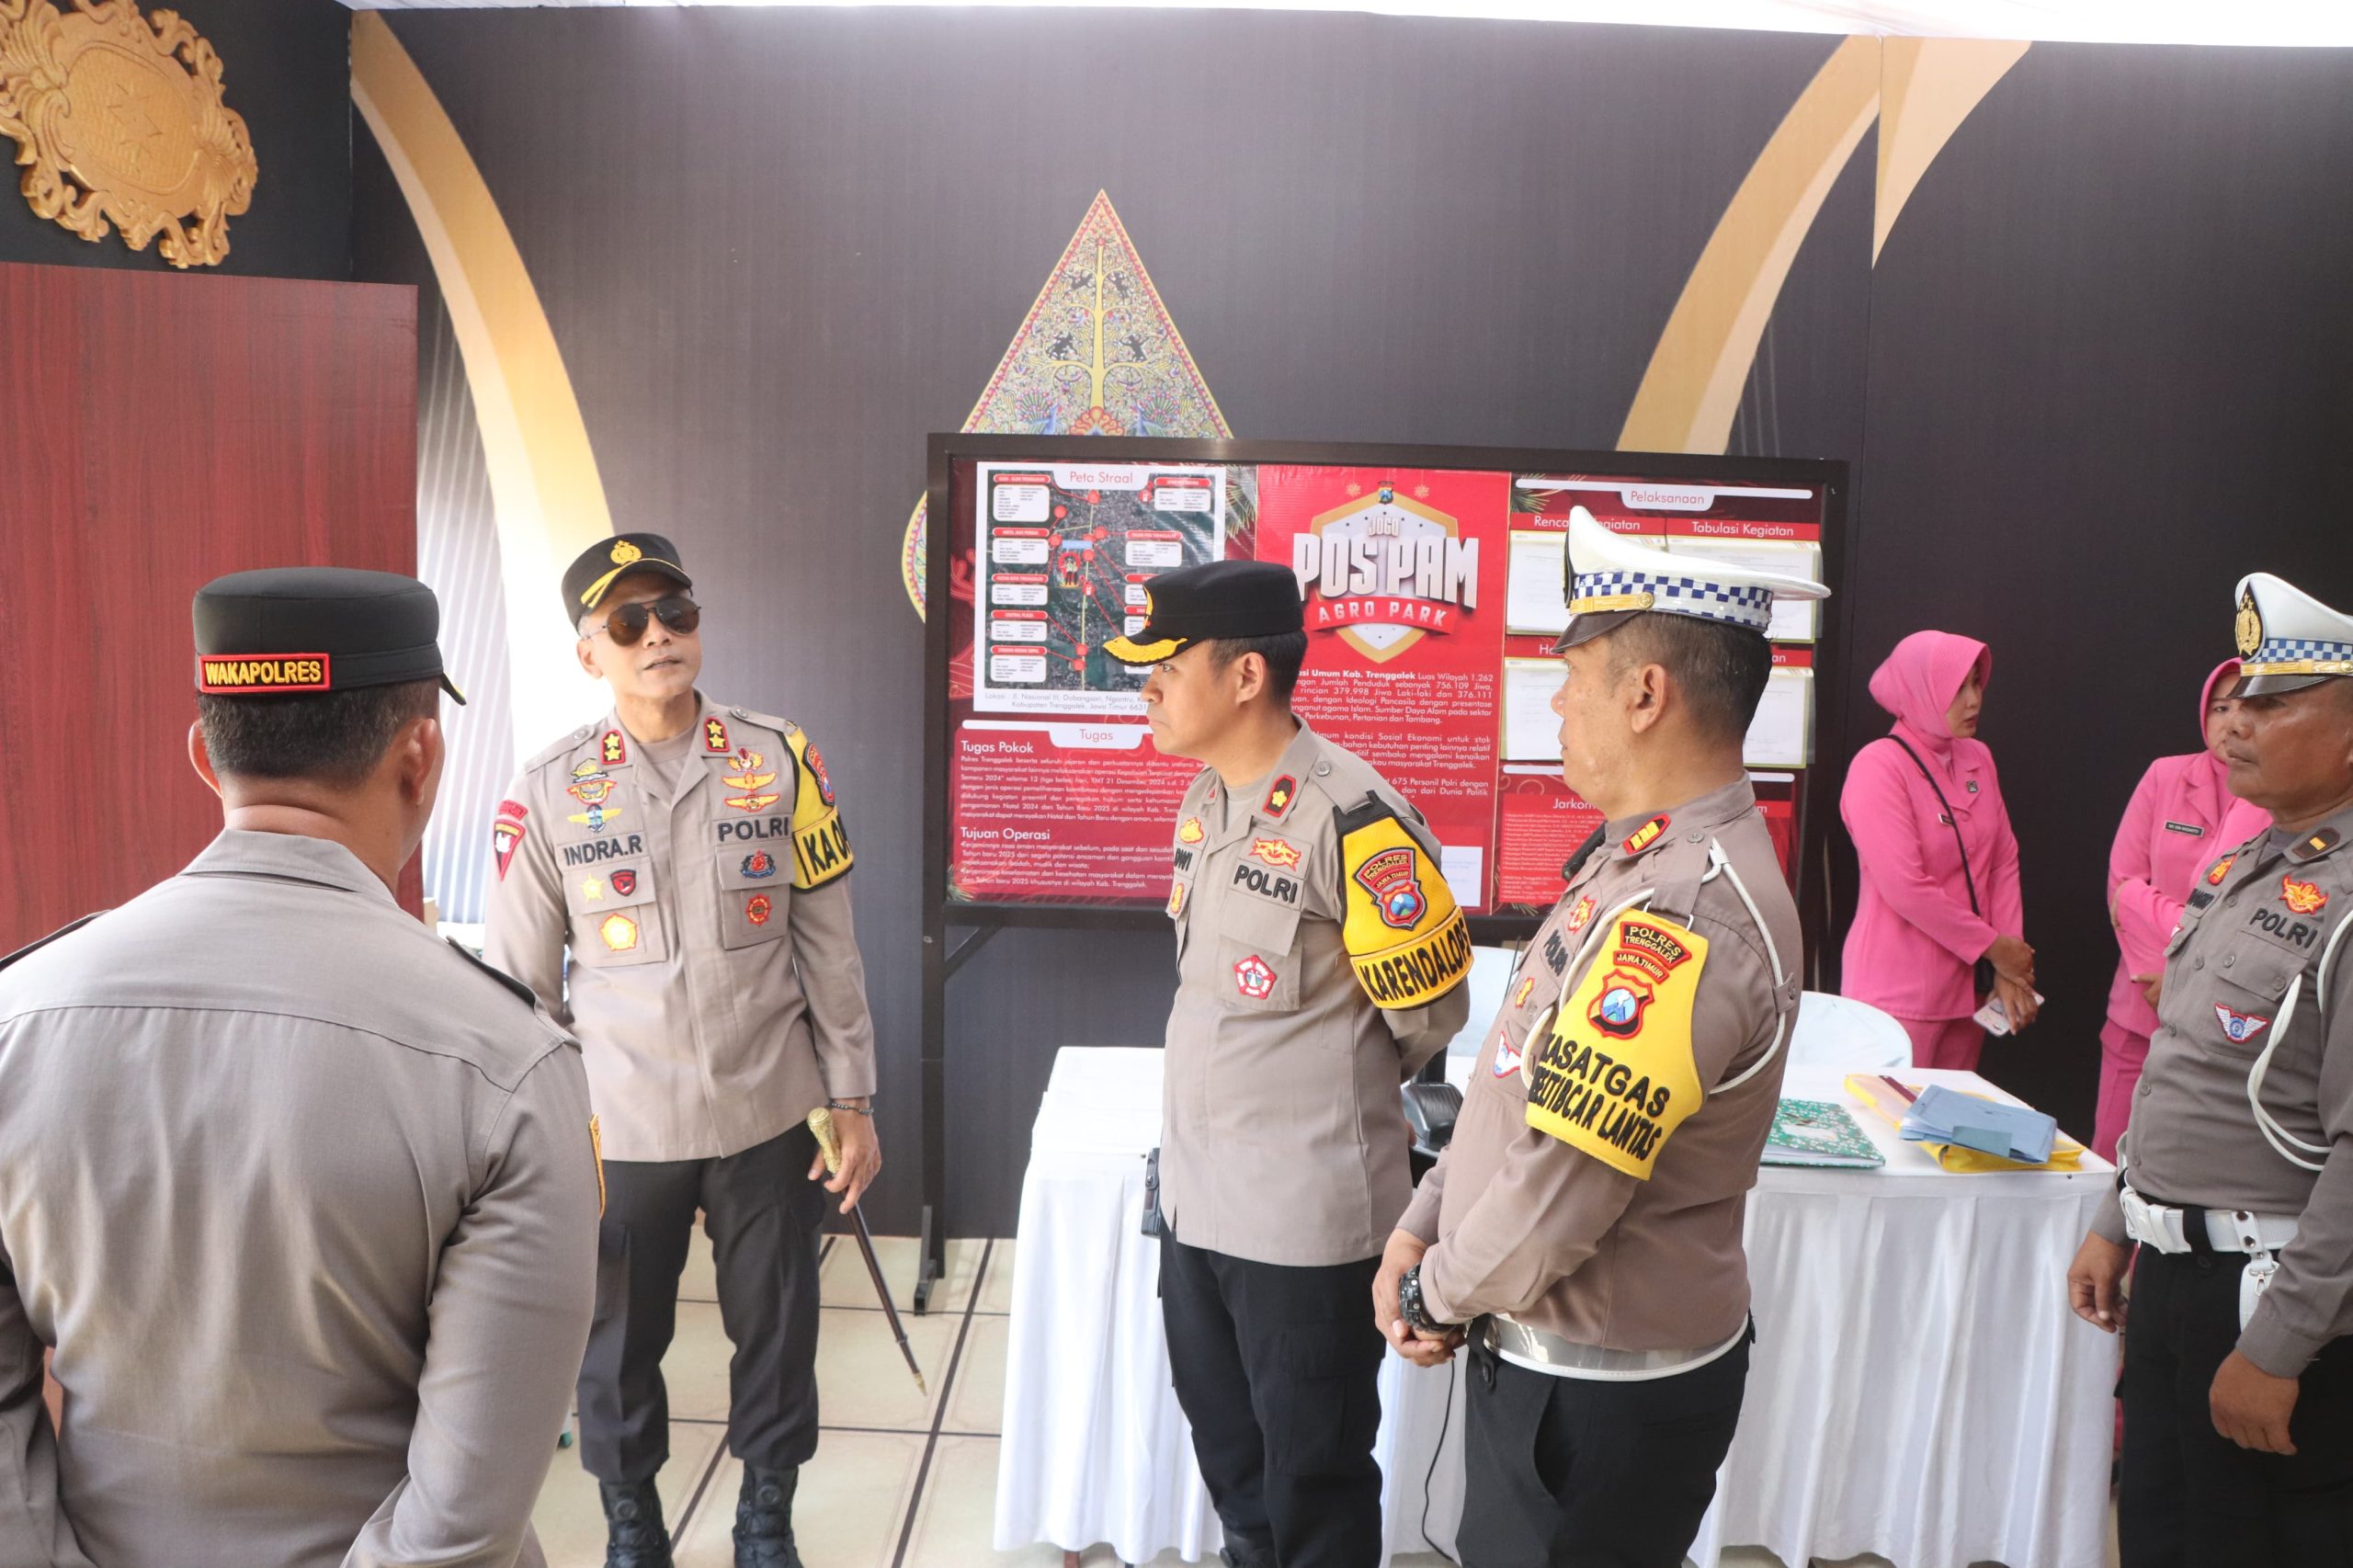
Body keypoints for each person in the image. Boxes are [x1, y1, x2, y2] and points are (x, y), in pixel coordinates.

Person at [0, 567, 598, 1567]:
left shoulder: (18, 1018)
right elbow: (465, 1513)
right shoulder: (508, 1064)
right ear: (421, 756)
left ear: (206, 756)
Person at [1374, 512, 1824, 1568]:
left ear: (1645, 694)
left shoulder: (1681, 914)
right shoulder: (1633, 864)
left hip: (1591, 1403)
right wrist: (1422, 1222)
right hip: (1553, 1362)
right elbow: (1513, 1080)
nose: (1558, 701)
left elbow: (1563, 1188)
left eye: (1573, 674)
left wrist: (1434, 1289)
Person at [485, 535, 881, 1568]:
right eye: (627, 623)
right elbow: (520, 995)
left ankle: (765, 1520)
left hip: (769, 1108)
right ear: (590, 654)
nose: (657, 635)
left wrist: (853, 1098)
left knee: (779, 1330)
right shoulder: (550, 789)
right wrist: (541, 1141)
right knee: (616, 1346)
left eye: (675, 613)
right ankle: (633, 1528)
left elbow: (828, 945)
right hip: (622, 1125)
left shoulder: (778, 757)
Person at [1102, 558, 1472, 1568]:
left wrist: (1320, 1082)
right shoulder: (1205, 800)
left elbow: (1429, 1014)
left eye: (1165, 667)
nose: (1147, 689)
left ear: (1245, 676)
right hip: (1196, 1205)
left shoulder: (1354, 820)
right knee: (1232, 1464)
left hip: (1304, 1226)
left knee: (1313, 1481)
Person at [2068, 571, 2353, 1567]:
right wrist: (2118, 1219)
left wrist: (2278, 1345)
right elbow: (2184, 1064)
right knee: (2158, 1531)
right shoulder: (2250, 861)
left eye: (2274, 704)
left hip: (2268, 1296)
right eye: (2239, 701)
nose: (2240, 722)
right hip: (2176, 1282)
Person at [2098, 659, 2271, 1160]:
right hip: (2139, 1001)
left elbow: (2234, 914)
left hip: (2215, 1022)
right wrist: (2157, 977)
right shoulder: (2165, 775)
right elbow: (2122, 886)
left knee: (2178, 1165)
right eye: (2220, 708)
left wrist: (2181, 980)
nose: (2231, 721)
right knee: (2109, 1154)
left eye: (2246, 707)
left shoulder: (2274, 794)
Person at [1839, 630, 2035, 1069]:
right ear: (1919, 690)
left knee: (1948, 1114)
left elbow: (2002, 861)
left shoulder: (1977, 757)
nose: (1973, 701)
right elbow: (1905, 886)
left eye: (1976, 684)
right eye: (1956, 688)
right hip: (1895, 997)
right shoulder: (1878, 765)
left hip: (1968, 994)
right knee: (1890, 1115)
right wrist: (1995, 948)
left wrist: (2009, 963)